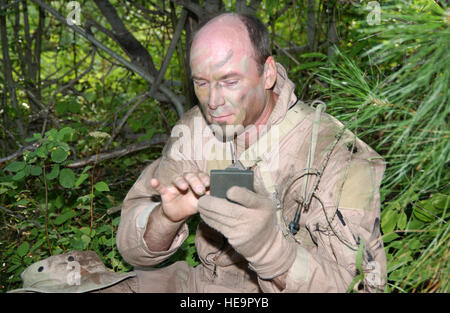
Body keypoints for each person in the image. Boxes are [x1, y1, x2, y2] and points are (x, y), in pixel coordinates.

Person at [116, 12, 387, 293]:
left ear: (267, 73)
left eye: (230, 81)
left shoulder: (336, 154)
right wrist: (167, 217)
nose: (214, 101)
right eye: (202, 83)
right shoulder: (195, 131)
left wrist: (270, 251)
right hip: (206, 286)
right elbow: (133, 251)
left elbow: (365, 286)